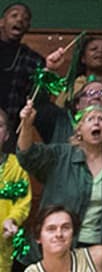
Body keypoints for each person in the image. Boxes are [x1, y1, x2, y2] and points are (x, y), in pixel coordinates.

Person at [16, 101, 102, 272]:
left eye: (101, 119)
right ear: (79, 129)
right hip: (62, 240)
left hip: (99, 245)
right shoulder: (61, 154)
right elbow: (27, 155)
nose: (96, 122)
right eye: (90, 119)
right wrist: (27, 125)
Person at [0, 110, 32, 272]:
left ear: (6, 135)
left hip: (2, 250)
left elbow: (22, 202)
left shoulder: (16, 166)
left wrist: (12, 219)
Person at [0, 6, 43, 123]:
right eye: (14, 15)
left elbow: (37, 100)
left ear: (28, 27)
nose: (19, 20)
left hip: (12, 129)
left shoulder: (34, 60)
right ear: (2, 22)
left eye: (25, 18)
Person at [22, 207, 90, 272]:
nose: (59, 234)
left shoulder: (93, 259)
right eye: (51, 229)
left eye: (65, 227)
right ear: (38, 237)